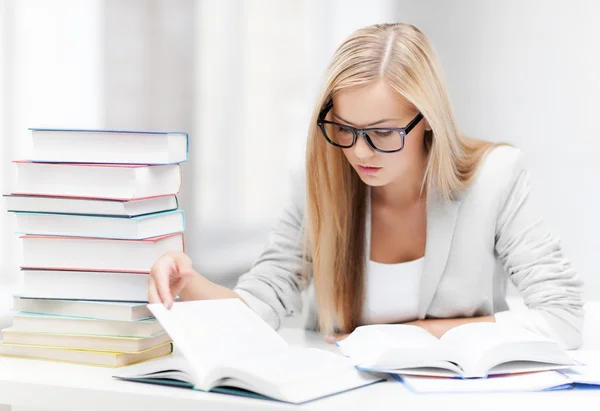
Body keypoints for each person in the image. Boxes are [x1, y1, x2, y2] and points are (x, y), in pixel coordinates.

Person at [148, 23, 584, 349]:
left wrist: (416, 335)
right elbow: (258, 306)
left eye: (382, 132)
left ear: (427, 123)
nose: (359, 153)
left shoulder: (495, 178)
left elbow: (562, 319)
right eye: (344, 129)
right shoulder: (318, 184)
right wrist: (186, 279)